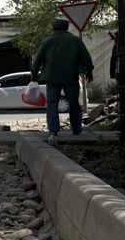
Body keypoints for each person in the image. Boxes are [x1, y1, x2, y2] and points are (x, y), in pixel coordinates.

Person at [32, 18, 94, 147]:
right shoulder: (75, 41)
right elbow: (86, 57)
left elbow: (37, 60)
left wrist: (34, 75)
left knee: (52, 104)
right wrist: (89, 71)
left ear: (53, 28)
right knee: (74, 103)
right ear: (66, 28)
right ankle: (76, 129)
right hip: (71, 76)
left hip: (52, 77)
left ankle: (53, 131)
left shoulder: (47, 41)